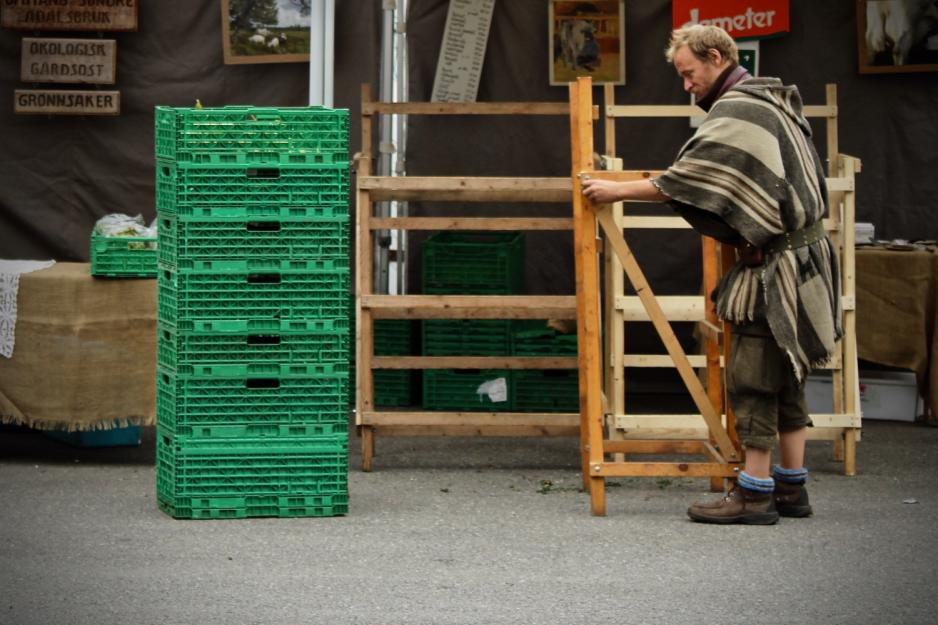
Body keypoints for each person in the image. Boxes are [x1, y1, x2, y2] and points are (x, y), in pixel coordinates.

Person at [581, 24, 842, 525]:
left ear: (717, 56)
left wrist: (616, 190)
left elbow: (691, 177)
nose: (687, 85)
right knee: (787, 377)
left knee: (756, 377)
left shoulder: (741, 108)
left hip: (778, 269)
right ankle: (792, 489)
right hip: (803, 258)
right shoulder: (771, 100)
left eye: (689, 73)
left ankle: (755, 494)